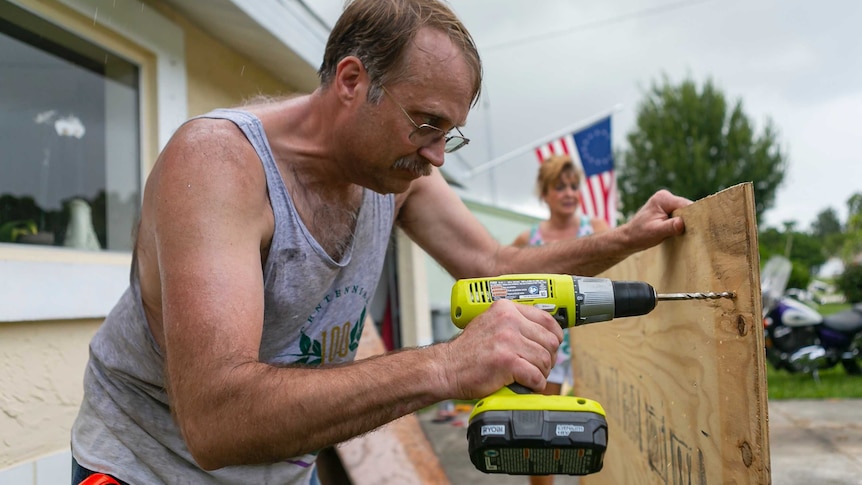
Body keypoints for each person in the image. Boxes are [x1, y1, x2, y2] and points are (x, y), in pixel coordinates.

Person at [69, 0, 692, 483]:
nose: (437, 155)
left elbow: (495, 262)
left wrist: (628, 238)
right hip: (148, 468)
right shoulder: (219, 167)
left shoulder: (394, 175)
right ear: (350, 79)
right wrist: (448, 363)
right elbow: (216, 419)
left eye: (451, 133)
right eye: (427, 123)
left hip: (281, 470)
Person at [513, 154, 608, 485]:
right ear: (545, 193)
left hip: (591, 342)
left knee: (598, 420)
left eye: (573, 186)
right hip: (547, 344)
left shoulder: (595, 229)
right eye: (559, 187)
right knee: (539, 425)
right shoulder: (529, 240)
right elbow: (502, 279)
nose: (569, 193)